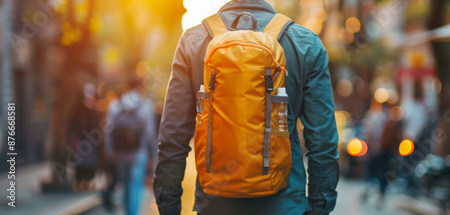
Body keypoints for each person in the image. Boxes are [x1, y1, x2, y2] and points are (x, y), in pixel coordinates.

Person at [154, 1, 339, 215]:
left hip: (215, 205)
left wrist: (168, 206)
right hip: (285, 205)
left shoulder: (193, 41)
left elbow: (172, 137)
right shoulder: (306, 43)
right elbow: (323, 141)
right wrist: (319, 207)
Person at [104, 77, 158, 215]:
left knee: (124, 185)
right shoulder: (146, 105)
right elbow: (150, 133)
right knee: (134, 186)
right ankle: (132, 213)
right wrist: (153, 155)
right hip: (139, 153)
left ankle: (126, 212)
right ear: (140, 87)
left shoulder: (116, 104)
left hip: (119, 153)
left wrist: (109, 150)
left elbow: (108, 129)